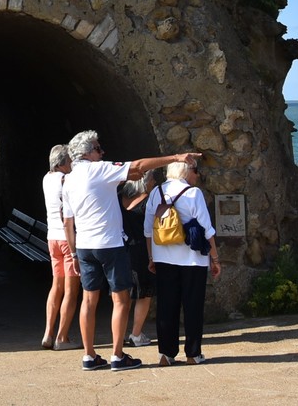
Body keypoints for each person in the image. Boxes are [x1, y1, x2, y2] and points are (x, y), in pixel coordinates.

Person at [63, 129, 201, 372]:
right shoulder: (99, 169)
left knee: (88, 300)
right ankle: (117, 355)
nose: (102, 152)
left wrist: (73, 253)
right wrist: (176, 158)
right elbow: (137, 167)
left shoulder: (69, 179)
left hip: (84, 245)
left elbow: (68, 220)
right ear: (87, 153)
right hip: (109, 244)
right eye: (98, 148)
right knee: (121, 300)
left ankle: (89, 355)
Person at [144, 161, 221, 366]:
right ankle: (193, 354)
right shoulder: (193, 193)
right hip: (192, 258)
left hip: (163, 257)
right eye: (195, 171)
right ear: (186, 172)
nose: (197, 175)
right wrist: (215, 259)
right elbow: (207, 229)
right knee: (193, 305)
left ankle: (166, 353)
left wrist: (151, 257)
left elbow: (148, 230)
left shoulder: (156, 192)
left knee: (166, 305)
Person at [42, 144, 80, 350]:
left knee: (56, 286)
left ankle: (48, 333)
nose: (73, 164)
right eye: (70, 160)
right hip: (68, 239)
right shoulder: (66, 180)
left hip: (52, 238)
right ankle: (62, 337)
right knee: (71, 291)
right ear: (62, 163)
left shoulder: (46, 178)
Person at [120, 177, 154, 347]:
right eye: (152, 179)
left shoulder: (119, 200)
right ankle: (136, 334)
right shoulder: (148, 201)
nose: (154, 182)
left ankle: (119, 334)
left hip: (122, 249)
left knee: (123, 295)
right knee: (144, 293)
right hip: (142, 250)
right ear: (144, 183)